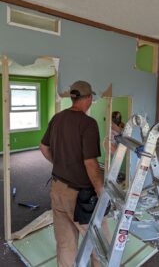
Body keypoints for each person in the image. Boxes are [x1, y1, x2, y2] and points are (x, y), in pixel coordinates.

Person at [40, 80, 109, 267]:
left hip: (57, 189)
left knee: (65, 244)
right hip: (80, 196)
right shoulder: (88, 123)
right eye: (91, 98)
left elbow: (43, 147)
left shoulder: (57, 118)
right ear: (87, 98)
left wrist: (60, 163)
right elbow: (90, 163)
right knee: (99, 241)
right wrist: (101, 192)